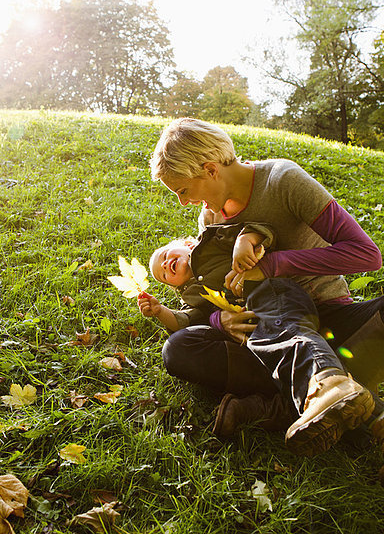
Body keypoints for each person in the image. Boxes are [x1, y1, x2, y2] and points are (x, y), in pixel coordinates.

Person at [148, 117, 384, 446]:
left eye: (183, 190)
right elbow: (215, 291)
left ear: (211, 169)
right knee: (178, 349)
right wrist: (221, 318)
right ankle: (337, 396)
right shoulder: (211, 217)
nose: (183, 201)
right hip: (266, 334)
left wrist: (273, 265)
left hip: (331, 318)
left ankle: (278, 406)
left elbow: (366, 255)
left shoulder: (282, 180)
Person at [138, 222, 375, 456]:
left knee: (275, 312)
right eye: (164, 274)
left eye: (166, 255)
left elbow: (263, 230)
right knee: (180, 345)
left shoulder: (212, 243)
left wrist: (245, 241)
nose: (166, 264)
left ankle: (320, 387)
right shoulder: (192, 296)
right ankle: (355, 414)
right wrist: (161, 312)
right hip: (256, 338)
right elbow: (185, 322)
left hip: (277, 300)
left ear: (188, 244)